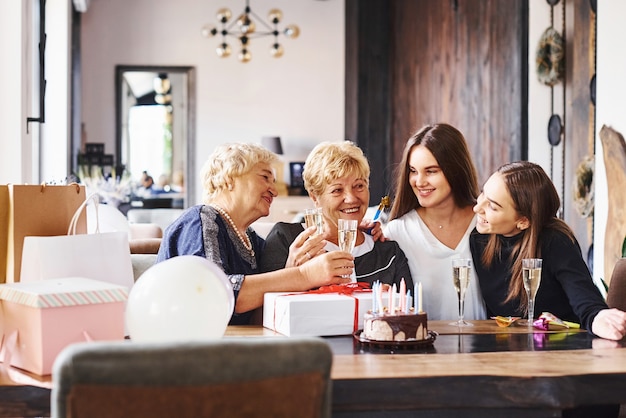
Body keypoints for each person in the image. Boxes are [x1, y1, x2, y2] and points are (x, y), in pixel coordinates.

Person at [156, 143, 354, 325]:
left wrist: (290, 270)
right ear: (229, 178)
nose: (274, 191)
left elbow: (257, 318)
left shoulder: (252, 241)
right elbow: (214, 293)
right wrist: (304, 275)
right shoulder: (201, 220)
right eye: (265, 177)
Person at [470, 160, 626, 340]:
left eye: (493, 206)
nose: (477, 208)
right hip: (506, 347)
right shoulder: (479, 239)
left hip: (560, 348)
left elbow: (584, 297)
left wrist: (597, 317)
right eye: (483, 193)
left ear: (523, 221)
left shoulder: (555, 241)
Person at [260, 140, 413, 290]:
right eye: (337, 190)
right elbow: (261, 313)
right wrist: (293, 276)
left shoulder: (388, 253)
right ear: (315, 197)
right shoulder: (286, 240)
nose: (352, 198)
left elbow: (409, 311)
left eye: (359, 186)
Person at [383, 123, 486, 320]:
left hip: (482, 347)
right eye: (413, 171)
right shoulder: (397, 233)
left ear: (455, 169)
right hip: (422, 347)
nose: (419, 181)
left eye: (431, 171)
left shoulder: (485, 224)